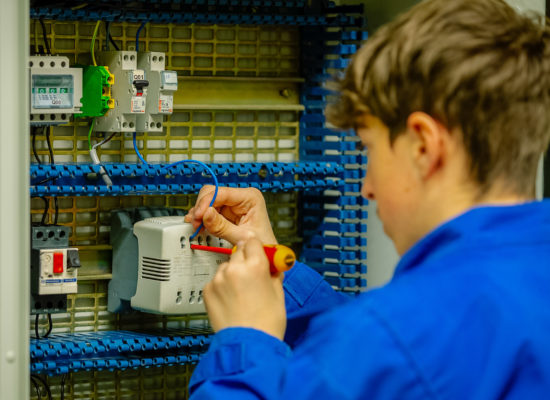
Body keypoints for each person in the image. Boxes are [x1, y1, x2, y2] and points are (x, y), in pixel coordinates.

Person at [184, 0, 550, 398]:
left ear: (423, 147)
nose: (366, 186)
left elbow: (391, 347)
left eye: (369, 150)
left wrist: (245, 340)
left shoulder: (392, 340)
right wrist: (282, 278)